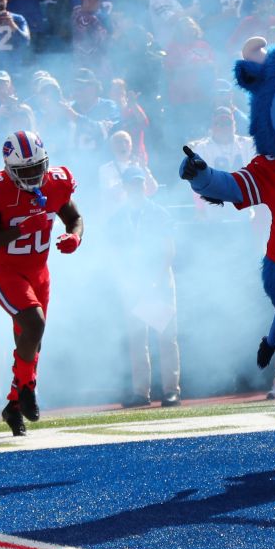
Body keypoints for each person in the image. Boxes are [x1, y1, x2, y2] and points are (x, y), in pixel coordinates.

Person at [0, 131, 84, 436]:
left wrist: (74, 237)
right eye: (26, 171)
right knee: (34, 325)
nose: (34, 176)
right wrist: (19, 230)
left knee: (34, 337)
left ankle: (13, 405)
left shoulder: (56, 182)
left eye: (38, 168)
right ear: (9, 170)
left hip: (39, 271)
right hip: (4, 269)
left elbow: (73, 217)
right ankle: (27, 386)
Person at [109, 167, 181, 408]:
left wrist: (155, 280)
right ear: (125, 187)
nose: (135, 188)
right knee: (137, 338)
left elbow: (168, 251)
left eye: (139, 184)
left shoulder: (159, 214)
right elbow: (116, 255)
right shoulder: (118, 218)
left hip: (158, 281)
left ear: (144, 186)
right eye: (131, 184)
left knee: (166, 337)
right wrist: (127, 282)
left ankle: (171, 390)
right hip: (135, 283)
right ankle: (141, 392)